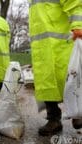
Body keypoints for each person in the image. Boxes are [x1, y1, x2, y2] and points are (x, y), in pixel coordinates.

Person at [29, 0, 82, 136]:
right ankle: (53, 119)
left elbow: (75, 3)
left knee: (69, 78)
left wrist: (78, 25)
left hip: (61, 44)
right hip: (42, 48)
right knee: (47, 83)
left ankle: (78, 113)